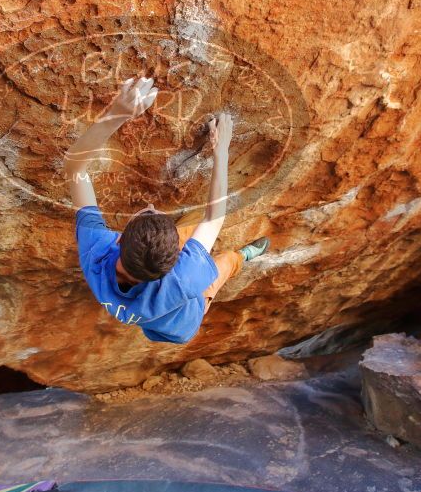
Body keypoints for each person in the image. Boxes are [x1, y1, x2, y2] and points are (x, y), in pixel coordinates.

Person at [65, 77, 270, 343]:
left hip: (153, 321)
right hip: (185, 322)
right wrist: (221, 151)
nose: (151, 206)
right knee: (222, 267)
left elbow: (74, 167)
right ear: (177, 261)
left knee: (196, 228)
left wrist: (117, 113)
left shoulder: (97, 250)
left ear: (118, 239)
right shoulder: (186, 279)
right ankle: (242, 257)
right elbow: (214, 215)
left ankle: (188, 238)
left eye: (147, 212)